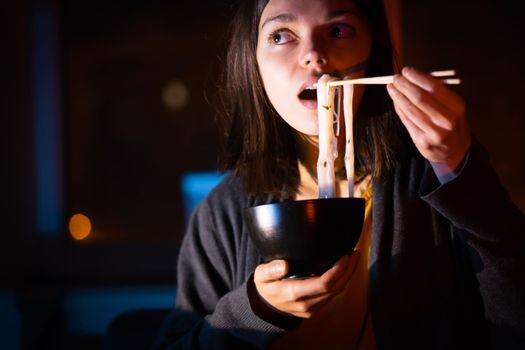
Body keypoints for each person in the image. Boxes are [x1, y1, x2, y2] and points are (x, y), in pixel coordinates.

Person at [153, 0, 525, 349]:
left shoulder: (431, 179)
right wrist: (255, 310)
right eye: (281, 35)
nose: (314, 54)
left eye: (339, 30)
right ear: (254, 64)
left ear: (373, 53)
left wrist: (459, 169)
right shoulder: (225, 211)